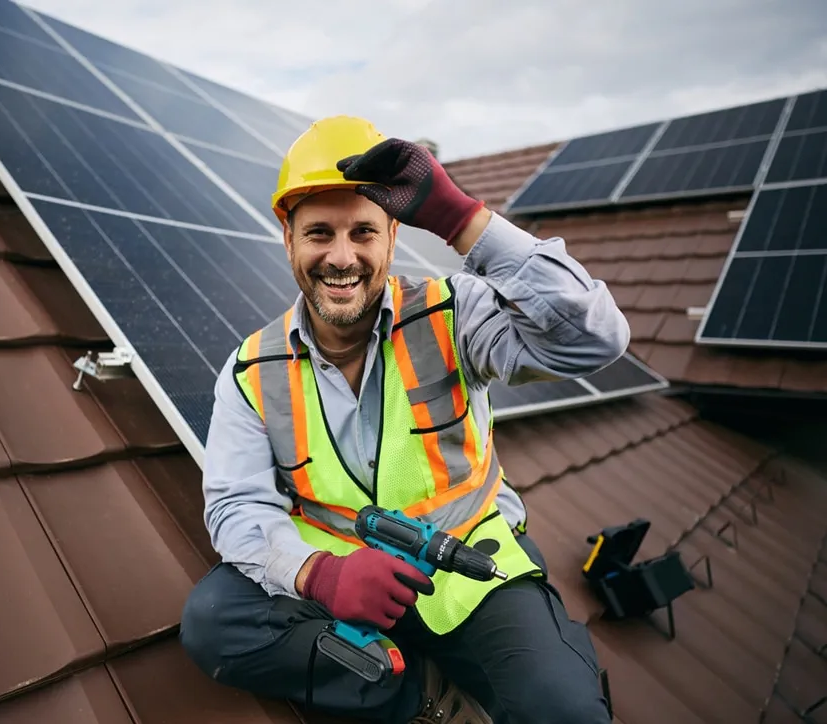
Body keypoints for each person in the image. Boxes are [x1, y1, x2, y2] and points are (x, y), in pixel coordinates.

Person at [180, 115, 627, 724]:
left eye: (362, 232)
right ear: (288, 239)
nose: (341, 258)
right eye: (319, 233)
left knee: (564, 711)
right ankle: (415, 696)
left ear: (393, 235)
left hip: (469, 568)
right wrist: (319, 576)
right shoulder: (251, 368)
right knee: (213, 623)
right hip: (345, 571)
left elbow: (594, 339)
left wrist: (461, 218)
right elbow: (235, 507)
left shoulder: (455, 313)